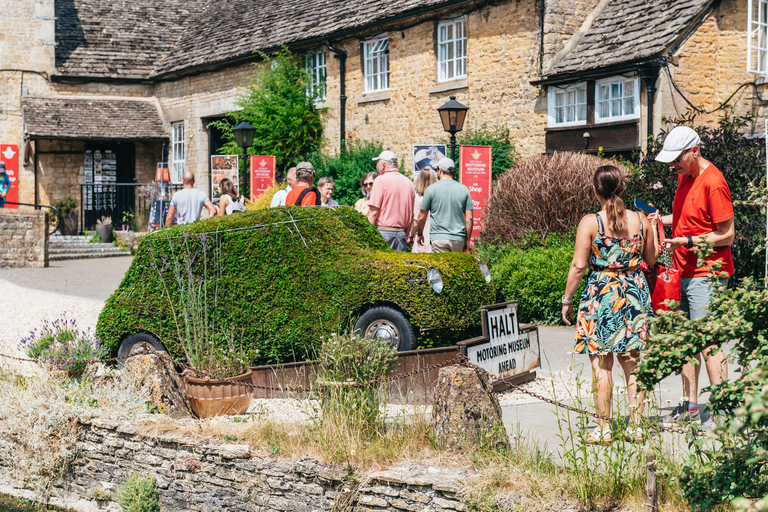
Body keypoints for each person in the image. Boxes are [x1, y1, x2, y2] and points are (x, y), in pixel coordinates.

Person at [562, 165, 659, 444]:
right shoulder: (642, 221)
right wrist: (651, 227)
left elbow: (579, 265)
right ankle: (637, 427)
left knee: (601, 365)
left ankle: (603, 429)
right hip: (634, 294)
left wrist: (567, 299)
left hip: (602, 295)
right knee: (633, 363)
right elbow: (651, 260)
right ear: (623, 188)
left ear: (595, 190)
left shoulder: (591, 223)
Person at [653, 126, 735, 426]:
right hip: (682, 271)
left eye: (676, 159)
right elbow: (688, 217)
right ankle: (690, 408)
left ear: (694, 151)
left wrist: (686, 242)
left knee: (708, 343)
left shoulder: (714, 183)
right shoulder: (684, 176)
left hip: (707, 274)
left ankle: (724, 414)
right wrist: (659, 220)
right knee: (687, 343)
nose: (672, 165)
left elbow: (726, 234)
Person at [413, 158, 473, 253]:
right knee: (455, 267)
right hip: (458, 238)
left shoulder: (431, 189)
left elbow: (421, 216)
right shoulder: (464, 189)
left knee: (440, 267)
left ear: (440, 170)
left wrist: (420, 234)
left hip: (438, 238)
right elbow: (469, 218)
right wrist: (467, 240)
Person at [408, 167, 436, 252]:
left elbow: (416, 222)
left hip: (422, 236)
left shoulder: (419, 200)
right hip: (435, 236)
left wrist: (411, 236)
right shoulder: (437, 199)